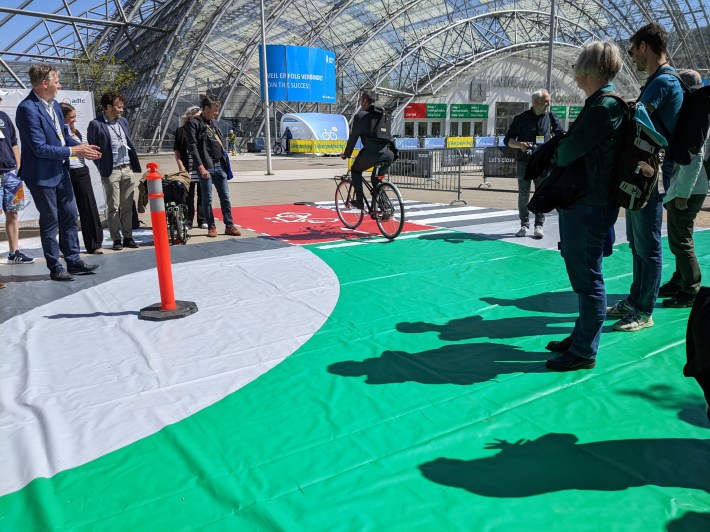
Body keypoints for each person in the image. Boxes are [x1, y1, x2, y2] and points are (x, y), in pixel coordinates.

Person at [544, 41, 626, 372]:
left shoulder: (603, 106)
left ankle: (584, 350)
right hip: (592, 202)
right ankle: (581, 337)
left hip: (589, 204)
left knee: (588, 279)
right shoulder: (605, 103)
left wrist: (557, 149)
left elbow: (566, 153)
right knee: (585, 275)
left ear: (588, 69)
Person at [607, 22, 684, 332]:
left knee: (648, 244)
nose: (632, 57)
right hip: (643, 173)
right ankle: (636, 299)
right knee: (637, 243)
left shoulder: (664, 82)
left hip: (651, 176)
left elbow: (639, 120)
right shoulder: (658, 80)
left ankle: (644, 309)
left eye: (632, 49)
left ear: (644, 47)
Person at [15, 63, 101, 281]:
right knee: (50, 219)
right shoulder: (27, 109)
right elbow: (39, 148)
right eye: (57, 81)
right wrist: (74, 150)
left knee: (70, 214)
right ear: (45, 84)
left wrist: (84, 148)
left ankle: (73, 261)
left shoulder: (53, 106)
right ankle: (55, 267)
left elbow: (63, 136)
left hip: (61, 170)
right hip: (42, 175)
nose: (60, 85)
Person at [658, 70, 709, 308]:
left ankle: (690, 288)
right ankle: (680, 279)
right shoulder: (700, 111)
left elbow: (694, 157)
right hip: (690, 185)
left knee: (682, 240)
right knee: (679, 237)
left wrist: (683, 194)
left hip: (690, 188)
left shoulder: (696, 115)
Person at [504, 89, 565, 239]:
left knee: (541, 194)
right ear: (536, 102)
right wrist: (520, 145)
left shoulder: (551, 116)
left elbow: (561, 134)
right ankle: (524, 225)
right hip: (525, 162)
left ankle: (539, 225)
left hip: (543, 163)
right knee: (523, 195)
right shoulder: (521, 118)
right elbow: (508, 140)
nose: (549, 104)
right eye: (547, 101)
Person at [87, 91, 142, 251]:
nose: (122, 110)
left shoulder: (123, 122)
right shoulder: (96, 125)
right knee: (113, 207)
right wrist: (103, 167)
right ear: (109, 107)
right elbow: (94, 151)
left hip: (127, 168)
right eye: (119, 107)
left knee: (127, 205)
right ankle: (116, 238)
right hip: (111, 171)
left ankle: (128, 237)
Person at [187, 95, 241, 238]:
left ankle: (229, 225)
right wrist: (201, 167)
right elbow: (192, 147)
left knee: (225, 197)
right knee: (207, 198)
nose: (216, 113)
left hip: (219, 165)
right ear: (205, 109)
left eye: (217, 110)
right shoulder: (194, 123)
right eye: (214, 110)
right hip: (206, 166)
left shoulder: (215, 123)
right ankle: (211, 226)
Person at [60, 102, 104, 254]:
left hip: (81, 171)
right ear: (62, 117)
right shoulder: (57, 134)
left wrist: (92, 154)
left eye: (75, 116)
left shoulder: (79, 133)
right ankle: (69, 247)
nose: (74, 120)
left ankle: (94, 244)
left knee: (88, 206)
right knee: (67, 211)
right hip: (65, 172)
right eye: (71, 117)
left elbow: (85, 150)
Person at [340, 91, 395, 209]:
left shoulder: (361, 116)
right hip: (388, 154)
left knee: (355, 170)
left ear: (365, 101)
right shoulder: (384, 113)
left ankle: (359, 201)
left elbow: (353, 137)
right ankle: (385, 208)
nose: (360, 104)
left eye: (361, 101)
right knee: (376, 181)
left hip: (372, 153)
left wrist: (346, 154)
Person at [0, 89, 33, 264]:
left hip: (10, 173)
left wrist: (18, 165)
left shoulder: (4, 117)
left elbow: (13, 141)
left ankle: (14, 252)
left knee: (12, 213)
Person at [173, 105, 205, 229]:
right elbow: (177, 150)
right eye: (196, 117)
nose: (198, 119)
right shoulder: (181, 131)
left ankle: (202, 220)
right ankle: (188, 220)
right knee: (188, 196)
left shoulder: (202, 130)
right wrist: (180, 165)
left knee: (203, 194)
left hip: (201, 167)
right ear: (189, 116)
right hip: (188, 168)